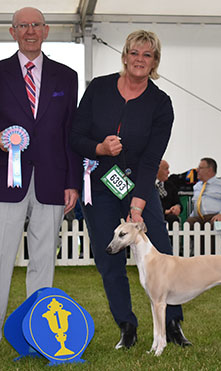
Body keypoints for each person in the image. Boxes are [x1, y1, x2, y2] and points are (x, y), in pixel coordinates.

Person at [70, 30, 191, 349]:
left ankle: (173, 323)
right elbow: (75, 136)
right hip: (99, 187)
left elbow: (152, 158)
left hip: (139, 186)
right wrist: (99, 147)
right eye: (134, 53)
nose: (140, 59)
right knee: (109, 258)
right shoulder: (98, 89)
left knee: (162, 253)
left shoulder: (161, 103)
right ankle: (127, 326)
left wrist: (137, 205)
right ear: (124, 56)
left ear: (155, 62)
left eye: (147, 55)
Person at [0, 7, 81, 342]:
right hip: (6, 183)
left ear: (46, 31)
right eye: (22, 26)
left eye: (36, 25)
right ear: (12, 32)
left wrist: (72, 182)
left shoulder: (67, 76)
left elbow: (70, 133)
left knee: (44, 261)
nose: (30, 31)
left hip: (52, 182)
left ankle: (38, 334)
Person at [187, 158, 221, 228]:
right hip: (199, 218)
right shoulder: (197, 186)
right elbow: (196, 204)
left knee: (213, 223)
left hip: (216, 216)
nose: (197, 170)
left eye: (200, 168)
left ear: (209, 170)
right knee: (189, 223)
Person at [156, 159, 182, 228]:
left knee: (173, 219)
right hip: (155, 215)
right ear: (157, 170)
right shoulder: (149, 185)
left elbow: (177, 202)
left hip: (169, 217)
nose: (168, 172)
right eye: (166, 169)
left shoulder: (170, 185)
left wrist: (177, 207)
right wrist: (165, 211)